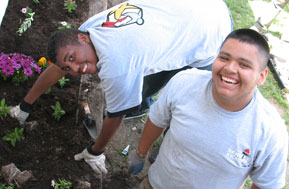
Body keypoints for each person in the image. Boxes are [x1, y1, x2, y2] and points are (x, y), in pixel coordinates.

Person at [8, 0, 233, 174]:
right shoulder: (87, 31)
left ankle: (166, 154)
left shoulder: (116, 65)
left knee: (188, 104)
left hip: (211, 31)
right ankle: (140, 103)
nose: (77, 69)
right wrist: (25, 105)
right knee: (150, 66)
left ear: (83, 39)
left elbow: (115, 115)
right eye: (71, 67)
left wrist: (95, 152)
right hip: (190, 9)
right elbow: (58, 68)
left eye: (73, 58)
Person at [128, 29, 288, 188]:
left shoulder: (271, 133)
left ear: (261, 76)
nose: (230, 68)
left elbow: (265, 184)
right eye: (224, 58)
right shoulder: (184, 83)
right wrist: (140, 154)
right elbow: (157, 120)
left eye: (244, 65)